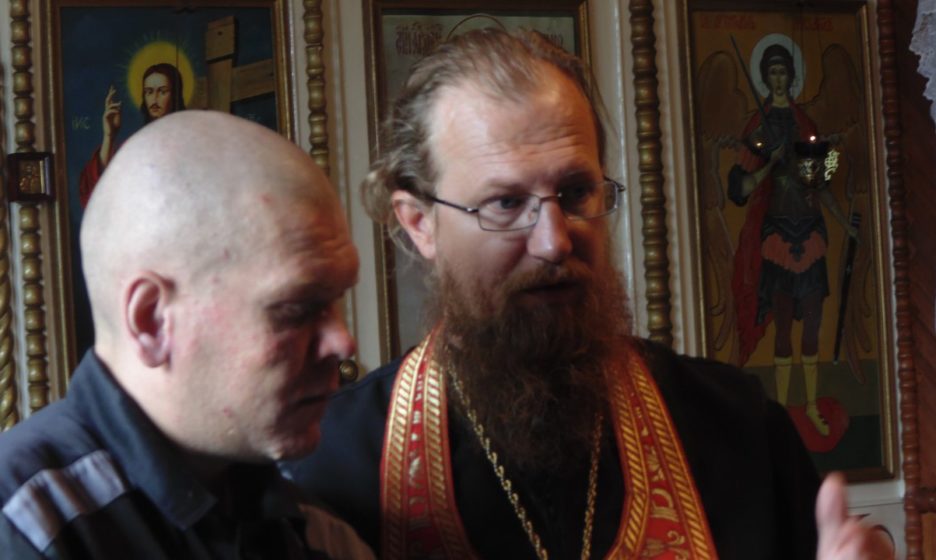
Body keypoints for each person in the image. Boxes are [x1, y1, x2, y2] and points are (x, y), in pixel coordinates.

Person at [285, 29, 892, 559]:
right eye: (506, 203)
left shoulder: (738, 430)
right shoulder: (333, 470)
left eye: (576, 192)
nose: (554, 241)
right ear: (420, 223)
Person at [0, 111, 373, 559]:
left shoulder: (316, 533)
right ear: (151, 321)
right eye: (296, 309)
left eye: (336, 299)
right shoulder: (26, 526)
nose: (342, 342)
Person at [728, 43, 857, 438]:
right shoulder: (758, 127)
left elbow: (822, 182)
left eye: (784, 71)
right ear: (765, 78)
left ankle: (812, 405)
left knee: (813, 323)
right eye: (773, 72)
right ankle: (783, 411)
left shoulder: (804, 121)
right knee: (783, 324)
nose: (779, 78)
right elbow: (741, 188)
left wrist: (832, 157)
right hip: (778, 236)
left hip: (811, 230)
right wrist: (770, 160)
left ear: (791, 76)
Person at [79, 63, 186, 207]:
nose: (154, 99)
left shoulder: (188, 141)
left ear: (175, 95)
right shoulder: (136, 146)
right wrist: (109, 135)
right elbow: (100, 193)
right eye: (149, 92)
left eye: (162, 91)